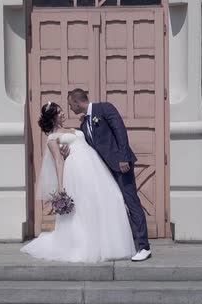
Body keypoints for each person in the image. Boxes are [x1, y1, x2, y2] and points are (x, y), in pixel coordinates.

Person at [20, 102, 136, 263]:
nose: (62, 114)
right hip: (77, 173)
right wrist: (61, 187)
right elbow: (59, 162)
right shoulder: (52, 138)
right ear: (52, 117)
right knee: (85, 208)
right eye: (59, 112)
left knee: (111, 198)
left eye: (61, 111)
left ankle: (108, 245)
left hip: (95, 169)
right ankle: (85, 246)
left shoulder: (74, 127)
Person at [67, 89, 152, 261]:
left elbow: (120, 131)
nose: (70, 109)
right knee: (115, 205)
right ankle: (125, 243)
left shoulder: (104, 108)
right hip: (104, 171)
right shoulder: (84, 124)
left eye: (70, 105)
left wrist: (123, 158)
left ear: (77, 102)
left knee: (131, 201)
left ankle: (144, 246)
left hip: (121, 166)